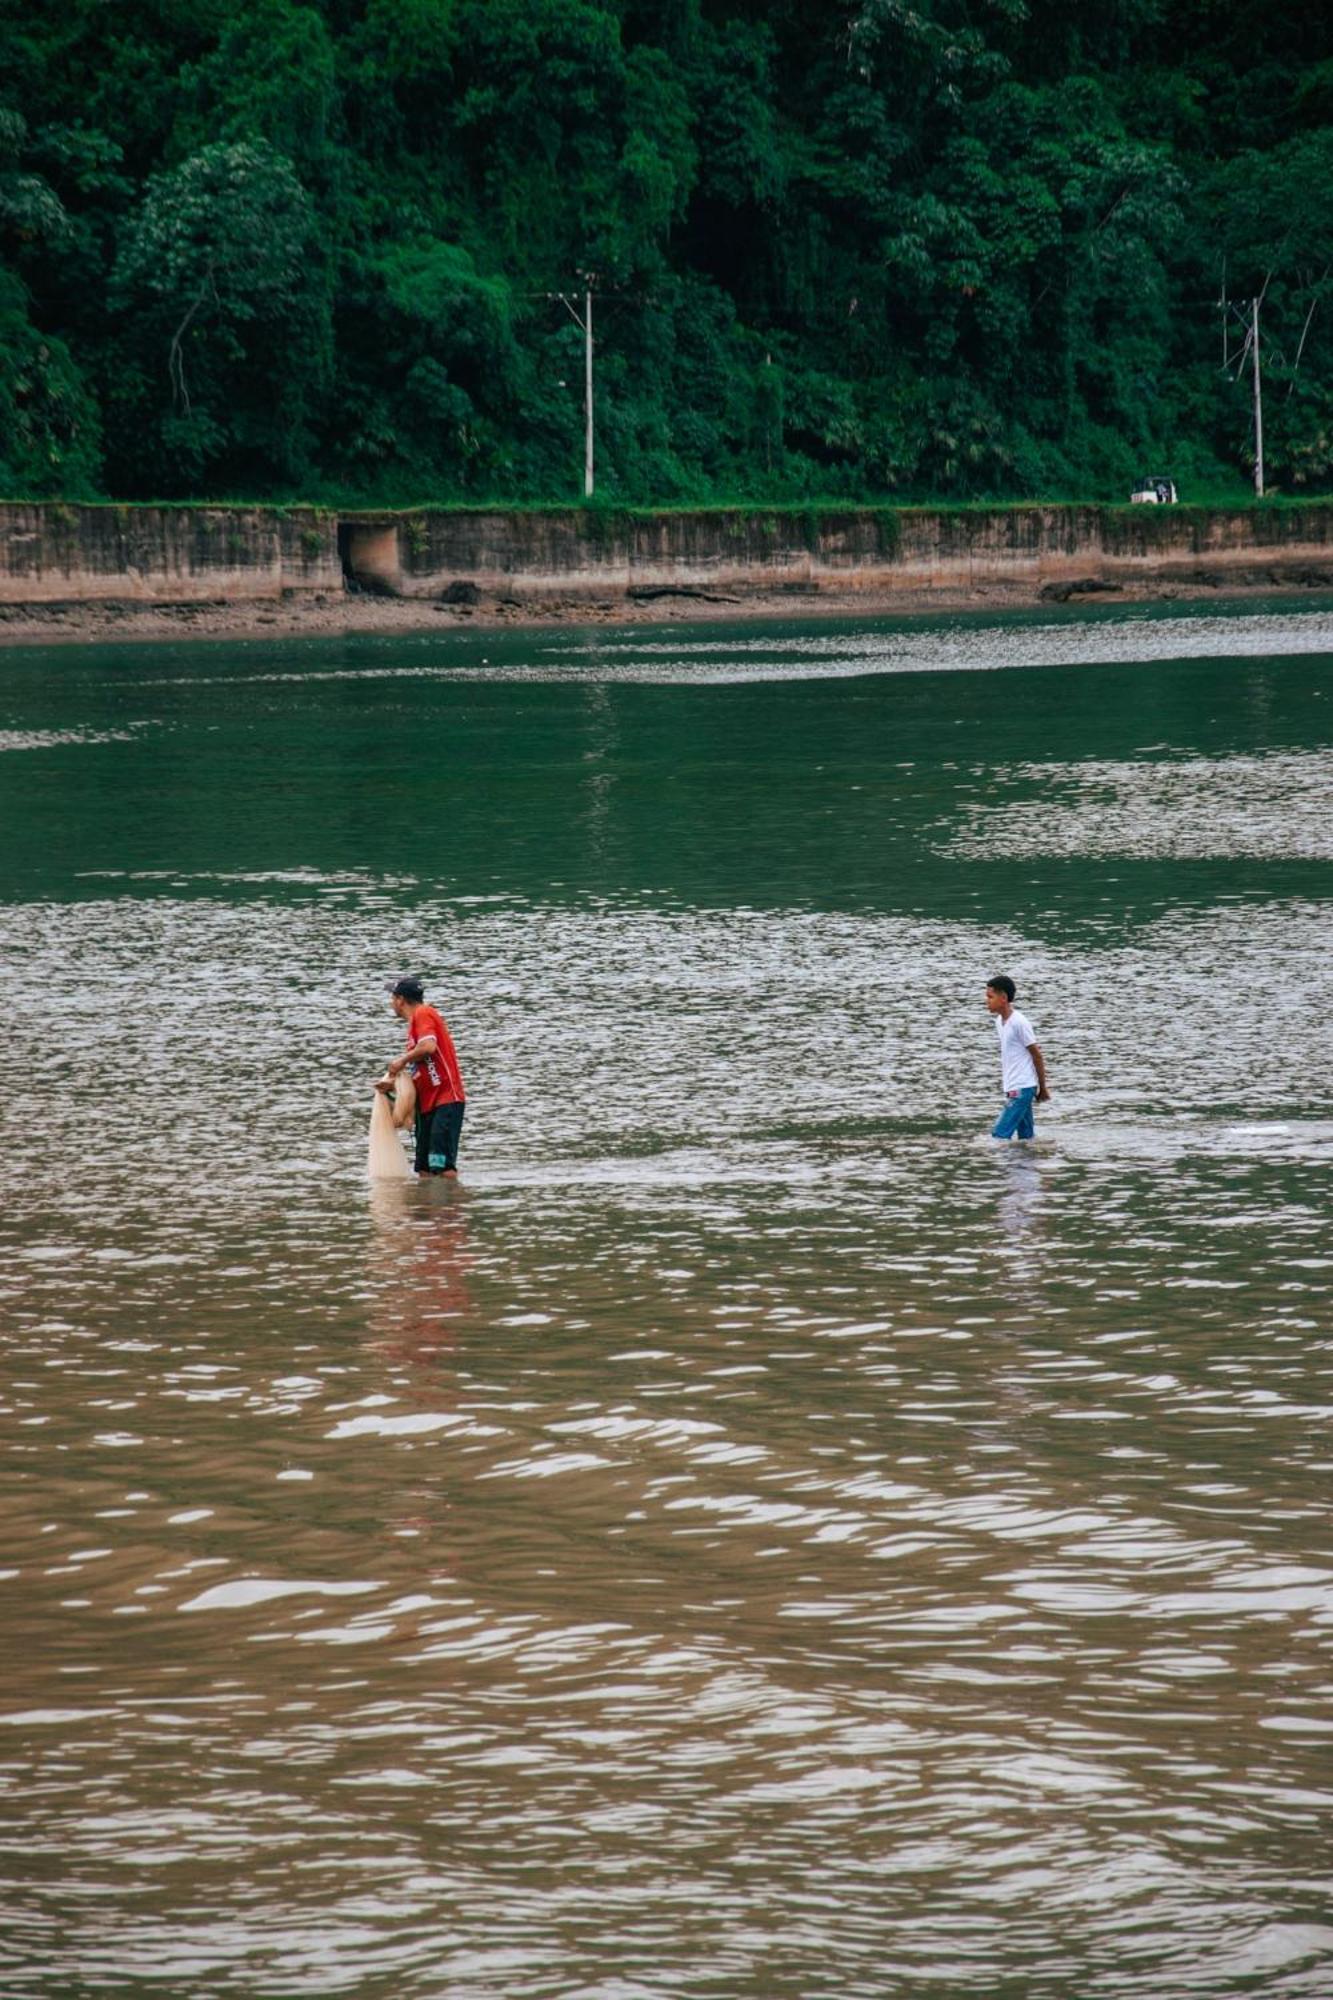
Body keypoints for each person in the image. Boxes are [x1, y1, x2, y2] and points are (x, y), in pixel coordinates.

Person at [378, 976, 466, 1176]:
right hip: (428, 1105)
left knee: (442, 1167)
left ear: (400, 999)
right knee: (424, 1169)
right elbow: (421, 1070)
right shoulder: (414, 1025)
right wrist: (393, 1087)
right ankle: (425, 1206)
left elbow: (428, 1047)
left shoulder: (423, 1013)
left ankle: (449, 1205)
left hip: (446, 1100)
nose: (391, 1002)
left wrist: (401, 1061)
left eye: (392, 997)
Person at [984, 975, 1050, 1140]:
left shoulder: (1019, 1022)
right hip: (1014, 1085)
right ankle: (1027, 1164)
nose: (987, 1001)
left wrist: (1042, 1087)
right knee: (1026, 1138)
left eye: (990, 997)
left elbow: (1037, 1055)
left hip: (1022, 1088)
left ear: (1004, 998)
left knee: (999, 1135)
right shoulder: (1000, 1021)